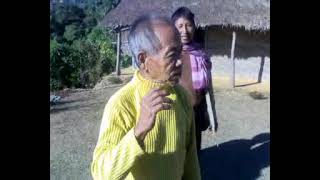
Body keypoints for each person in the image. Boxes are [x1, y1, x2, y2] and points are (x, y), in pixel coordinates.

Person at [91, 14, 201, 180]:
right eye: (172, 54)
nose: (180, 62)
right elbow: (101, 174)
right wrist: (138, 132)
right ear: (143, 60)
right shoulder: (121, 104)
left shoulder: (183, 98)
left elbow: (191, 160)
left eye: (180, 52)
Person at [172, 7, 214, 154]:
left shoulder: (200, 54)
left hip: (197, 110)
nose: (185, 30)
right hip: (177, 112)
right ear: (174, 29)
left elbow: (207, 85)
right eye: (180, 26)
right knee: (178, 150)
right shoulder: (171, 55)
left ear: (194, 27)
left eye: (189, 25)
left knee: (195, 149)